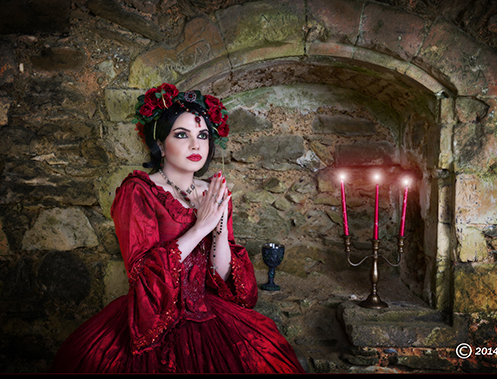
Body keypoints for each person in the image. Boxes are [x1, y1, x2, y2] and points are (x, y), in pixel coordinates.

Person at [49, 83, 306, 373]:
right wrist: (200, 227)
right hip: (156, 318)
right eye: (182, 135)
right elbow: (142, 277)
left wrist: (218, 227)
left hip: (210, 313)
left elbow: (225, 281)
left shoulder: (213, 191)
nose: (196, 145)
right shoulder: (138, 191)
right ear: (160, 144)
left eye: (203, 135)